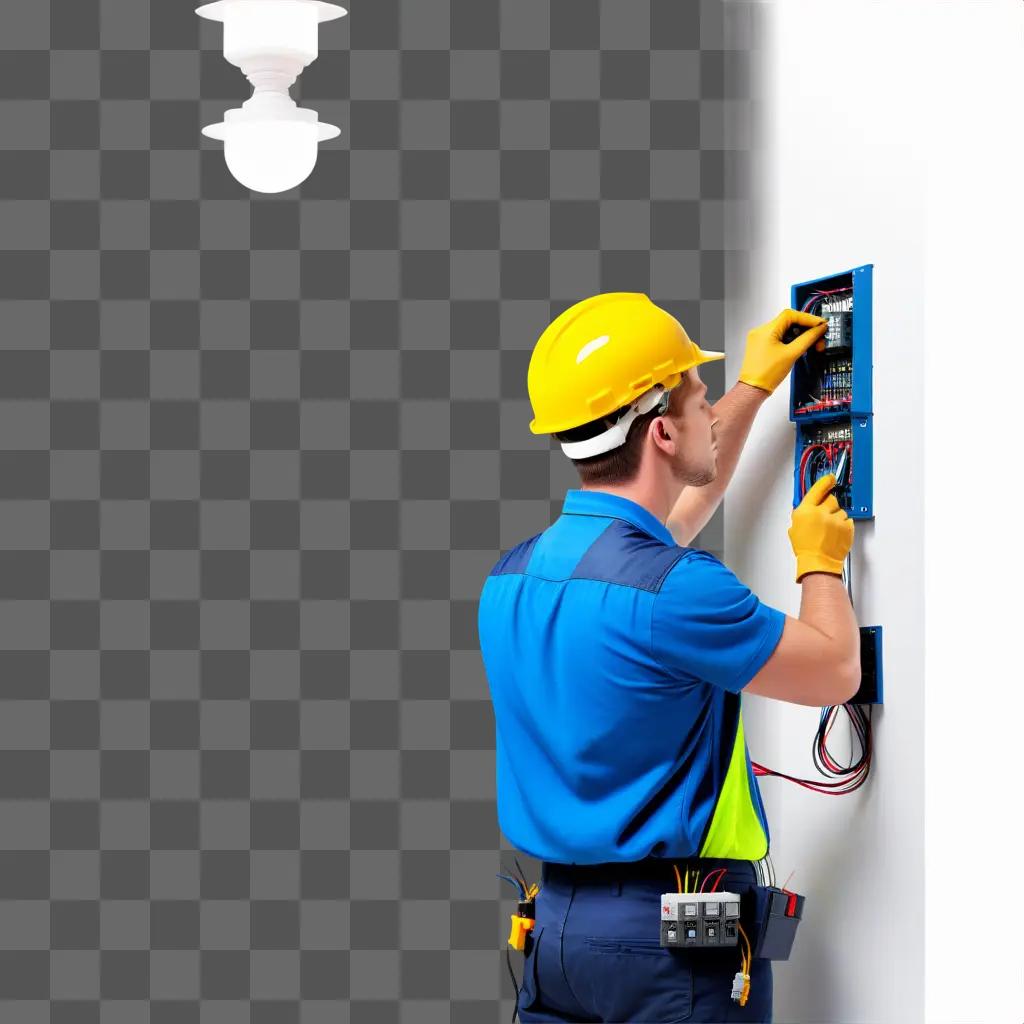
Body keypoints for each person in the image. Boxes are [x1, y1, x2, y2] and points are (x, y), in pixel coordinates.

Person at [476, 293, 860, 1023]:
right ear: (660, 432)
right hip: (668, 943)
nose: (708, 404)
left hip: (556, 932)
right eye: (698, 396)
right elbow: (835, 672)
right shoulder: (678, 591)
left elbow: (665, 526)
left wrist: (753, 387)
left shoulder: (513, 575)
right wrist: (819, 563)